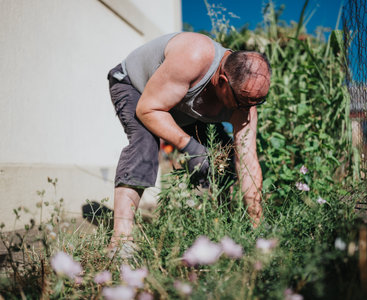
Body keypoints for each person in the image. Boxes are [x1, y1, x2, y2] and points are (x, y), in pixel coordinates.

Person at [107, 32, 271, 249]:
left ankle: (221, 232)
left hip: (179, 106)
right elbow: (148, 110)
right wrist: (190, 146)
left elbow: (248, 163)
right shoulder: (193, 56)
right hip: (137, 88)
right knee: (145, 144)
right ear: (222, 81)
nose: (246, 110)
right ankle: (120, 242)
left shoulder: (245, 101)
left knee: (222, 158)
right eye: (241, 102)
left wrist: (257, 226)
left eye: (254, 103)